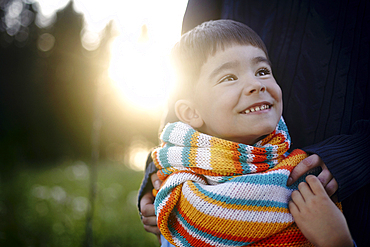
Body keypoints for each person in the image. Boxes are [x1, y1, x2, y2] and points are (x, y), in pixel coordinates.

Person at [139, 0, 370, 245]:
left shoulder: (317, 208)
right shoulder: (179, 198)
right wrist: (157, 166)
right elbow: (184, 71)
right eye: (229, 77)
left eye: (262, 71)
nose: (256, 84)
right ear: (190, 112)